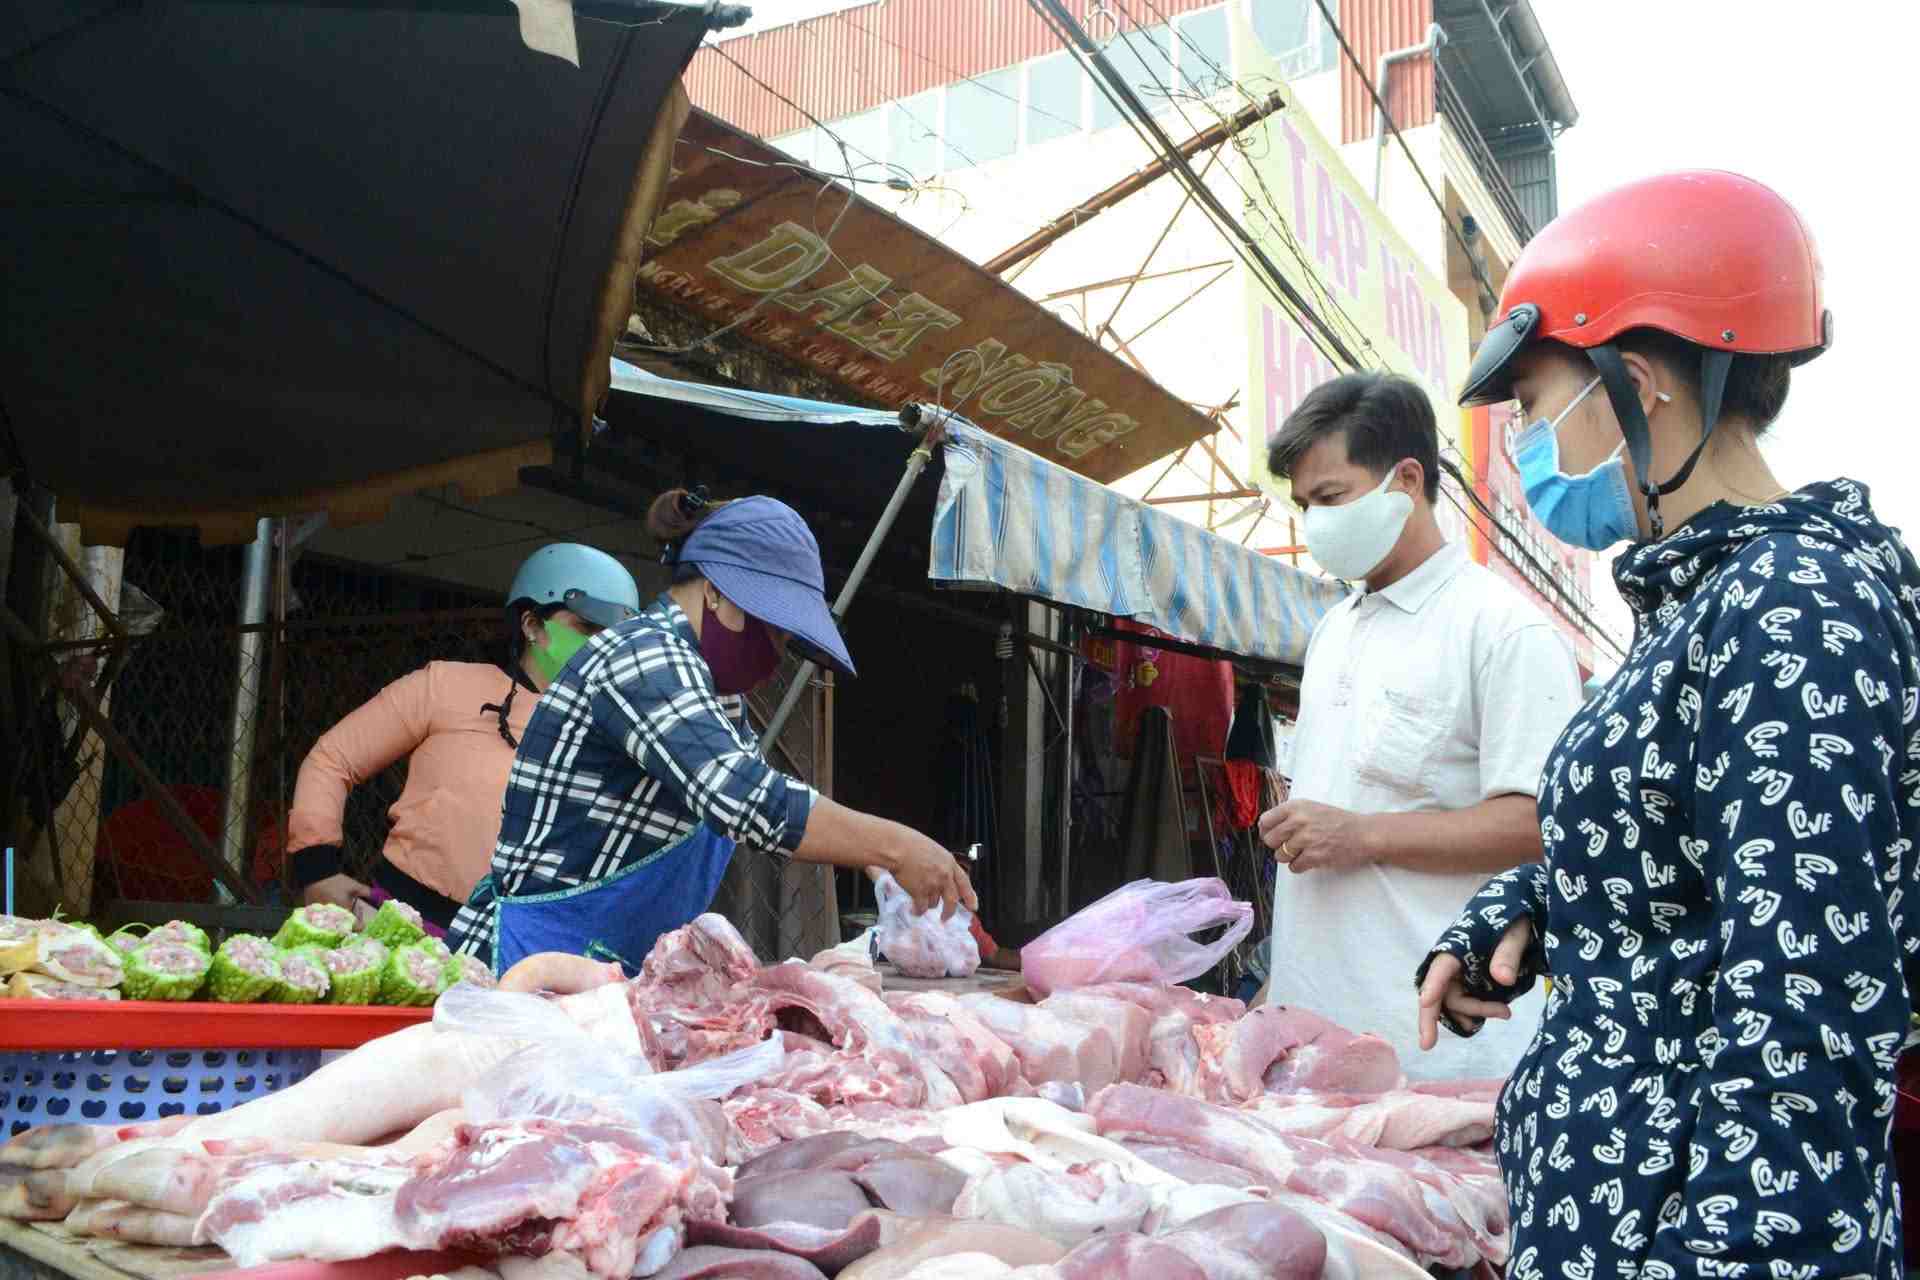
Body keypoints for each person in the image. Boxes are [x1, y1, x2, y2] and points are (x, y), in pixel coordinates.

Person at [1415, 171, 1920, 1278]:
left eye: (1541, 406)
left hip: (1686, 1237)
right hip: (1616, 1211)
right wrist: (1525, 913)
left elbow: (1805, 995)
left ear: (1636, 384)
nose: (1531, 444)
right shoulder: (1704, 606)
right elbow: (1692, 851)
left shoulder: (1794, 609)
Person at [447, 488, 976, 973]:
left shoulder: (713, 693)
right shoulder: (643, 656)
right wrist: (891, 847)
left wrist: (881, 873)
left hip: (602, 974)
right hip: (527, 967)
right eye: (771, 626)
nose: (775, 651)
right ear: (718, 593)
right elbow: (743, 797)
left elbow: (771, 800)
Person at [1254, 371, 1580, 1080]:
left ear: (1405, 480)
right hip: (1314, 1048)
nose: (1315, 523)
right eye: (1304, 505)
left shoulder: (1503, 630)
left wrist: (1361, 835)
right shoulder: (1334, 629)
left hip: (1443, 1059)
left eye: (1331, 497)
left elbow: (1542, 826)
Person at [287, 544, 642, 933]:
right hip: (402, 923)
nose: (601, 646)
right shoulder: (445, 685)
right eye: (586, 628)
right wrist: (317, 869)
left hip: (529, 944)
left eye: (614, 636)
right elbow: (332, 759)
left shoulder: (620, 730)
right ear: (532, 625)